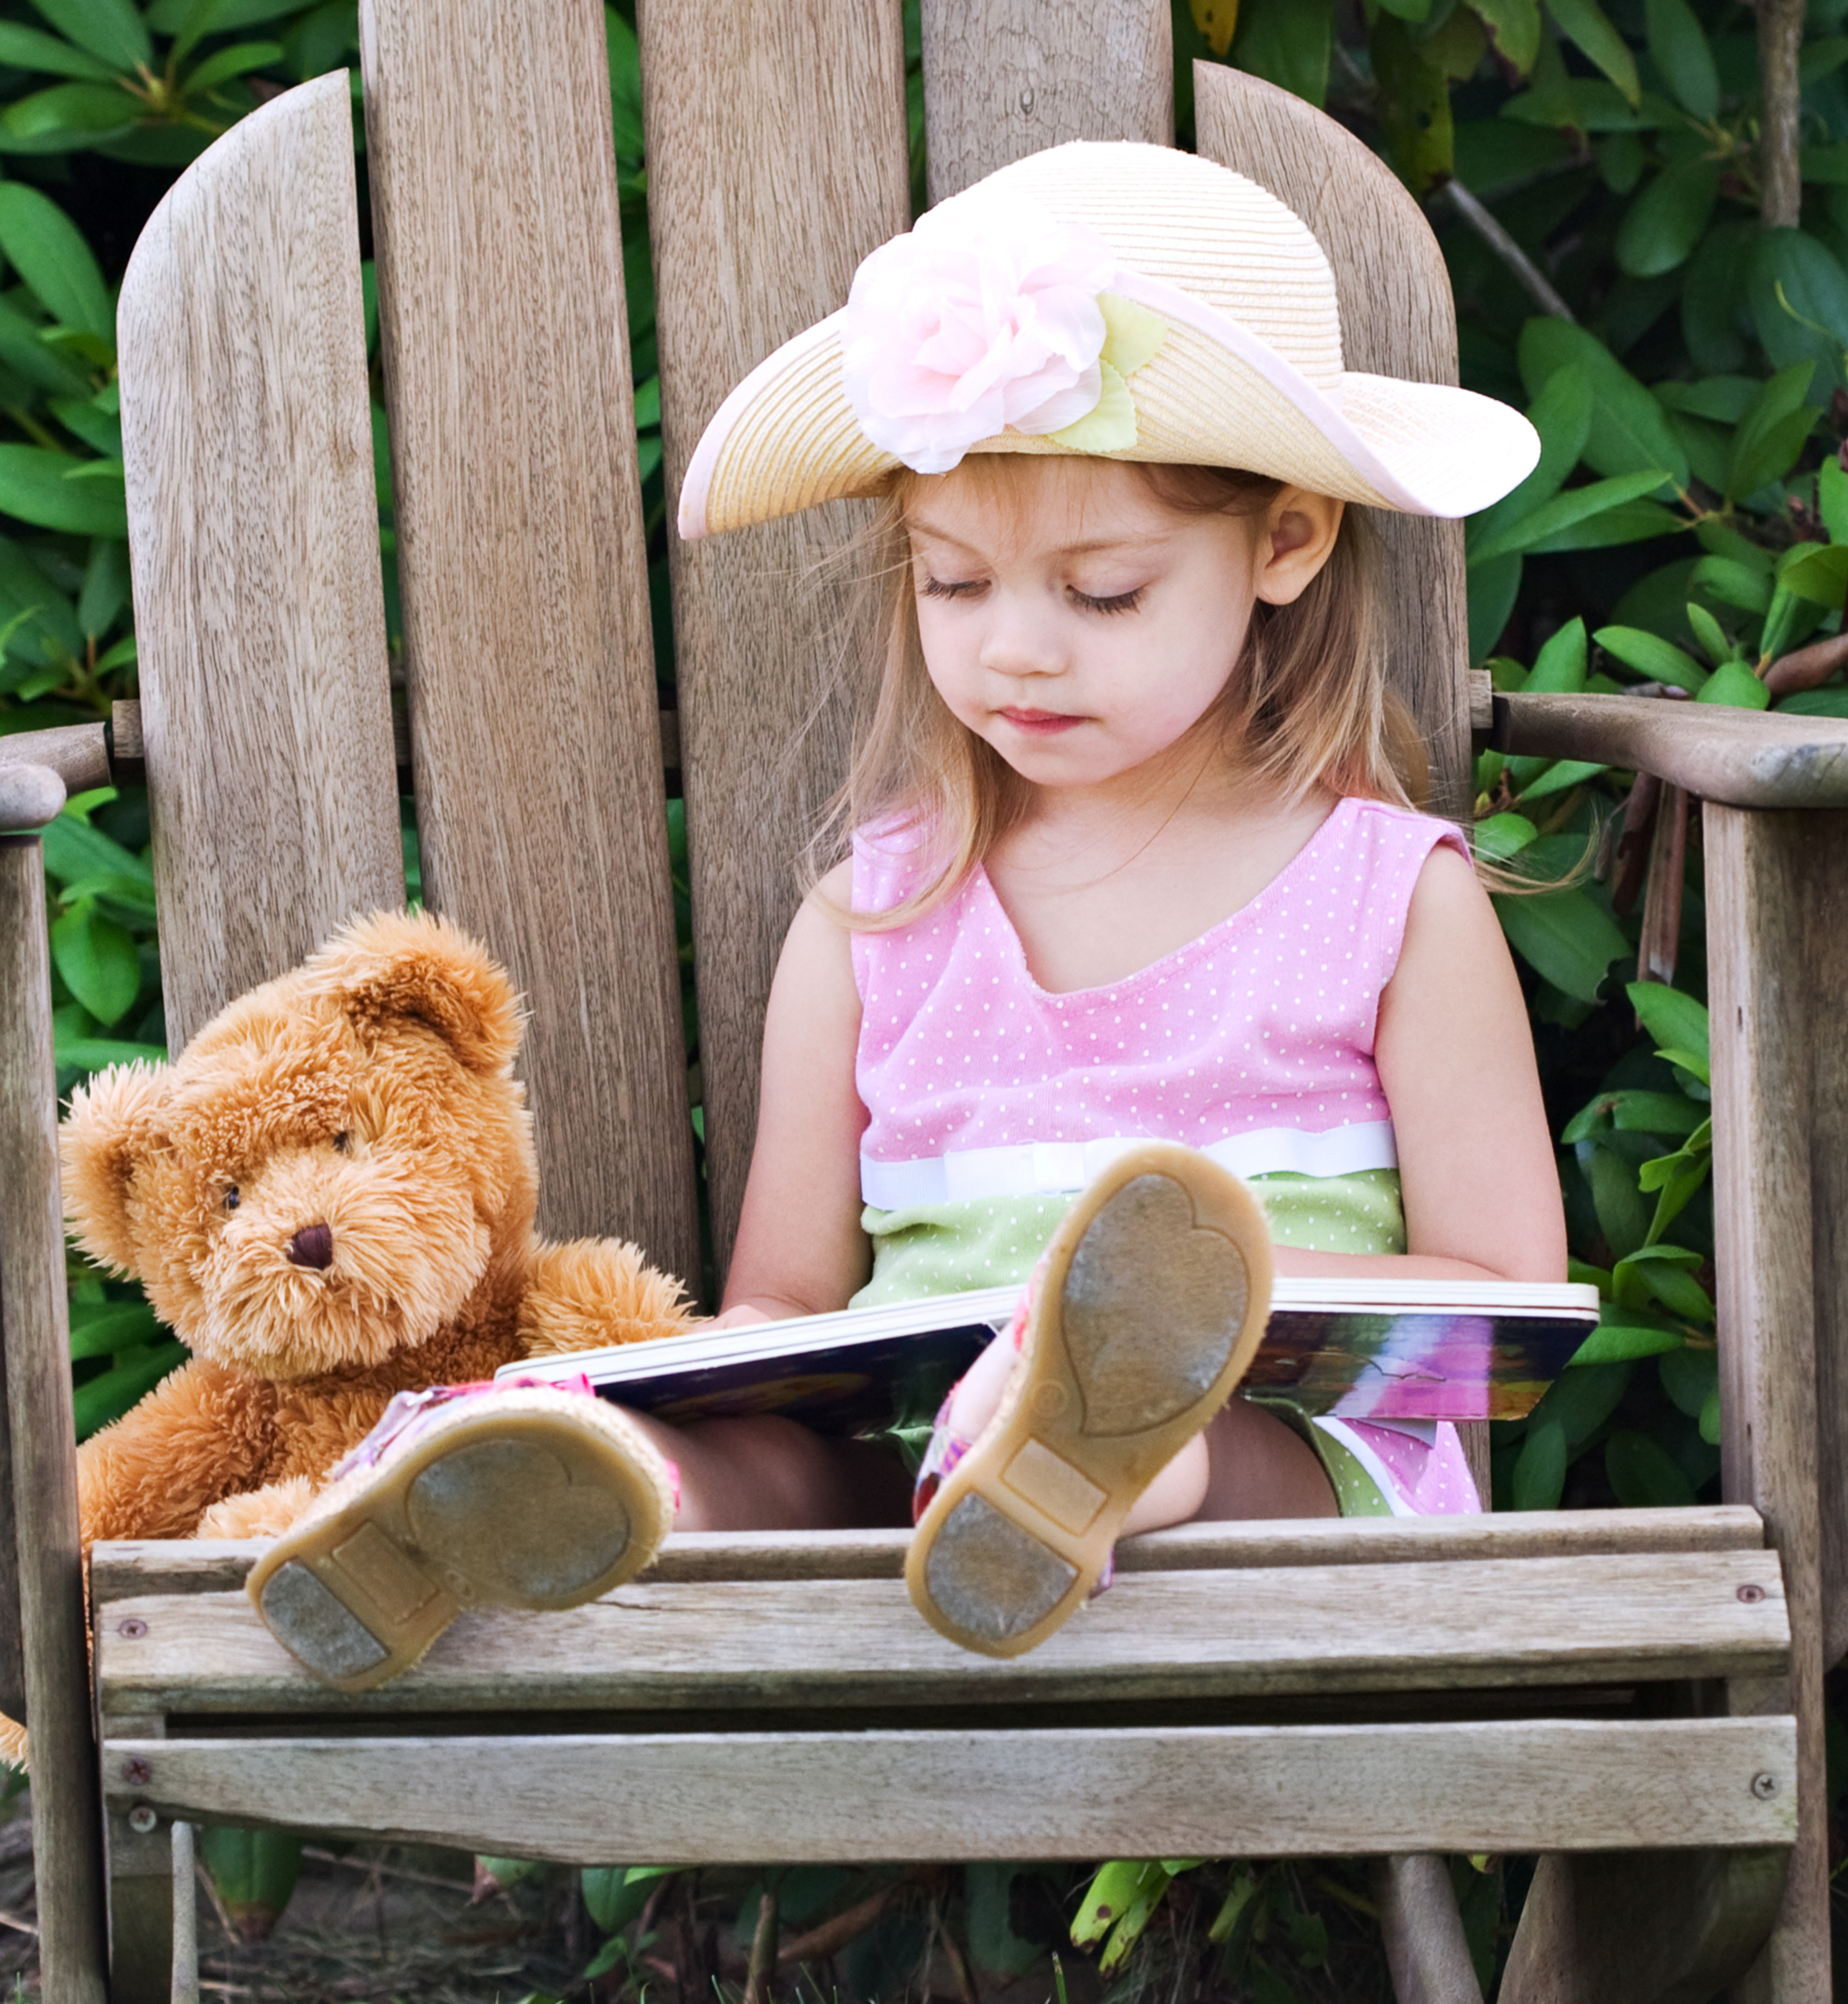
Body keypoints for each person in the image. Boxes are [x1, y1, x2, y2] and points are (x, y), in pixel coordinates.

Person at [243, 139, 1566, 1692]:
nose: (1016, 653)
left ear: (1283, 541)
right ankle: (539, 1501)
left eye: (1101, 594)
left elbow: (1498, 1303)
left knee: (1168, 1433)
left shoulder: (1385, 898)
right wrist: (742, 1388)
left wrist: (1163, 1333)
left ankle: (1079, 1445)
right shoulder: (877, 920)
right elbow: (786, 1301)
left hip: (1276, 1490)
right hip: (917, 1496)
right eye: (952, 585)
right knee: (768, 1479)